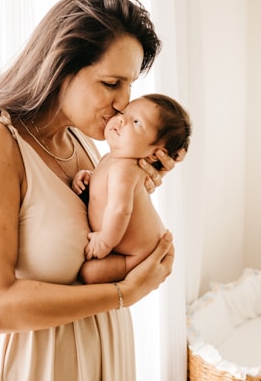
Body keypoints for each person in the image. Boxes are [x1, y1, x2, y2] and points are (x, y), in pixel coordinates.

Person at [0, 0, 178, 381]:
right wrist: (124, 294)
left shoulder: (81, 142)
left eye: (130, 86)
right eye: (110, 83)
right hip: (30, 367)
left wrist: (138, 183)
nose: (124, 103)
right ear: (60, 67)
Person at [73, 94, 191, 285]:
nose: (121, 119)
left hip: (141, 253)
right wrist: (89, 178)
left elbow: (120, 210)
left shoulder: (126, 170)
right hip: (130, 243)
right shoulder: (110, 159)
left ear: (155, 155)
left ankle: (128, 265)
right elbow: (105, 189)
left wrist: (104, 242)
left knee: (89, 274)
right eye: (124, 112)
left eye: (136, 122)